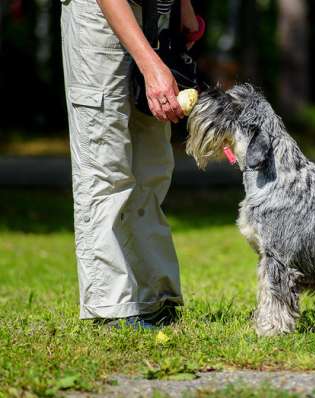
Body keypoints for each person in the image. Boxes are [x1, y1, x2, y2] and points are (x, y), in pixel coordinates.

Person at [61, 0, 201, 328]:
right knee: (105, 165)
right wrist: (151, 66)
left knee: (151, 166)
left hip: (156, 8)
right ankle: (111, 307)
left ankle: (155, 298)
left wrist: (184, 7)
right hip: (100, 11)